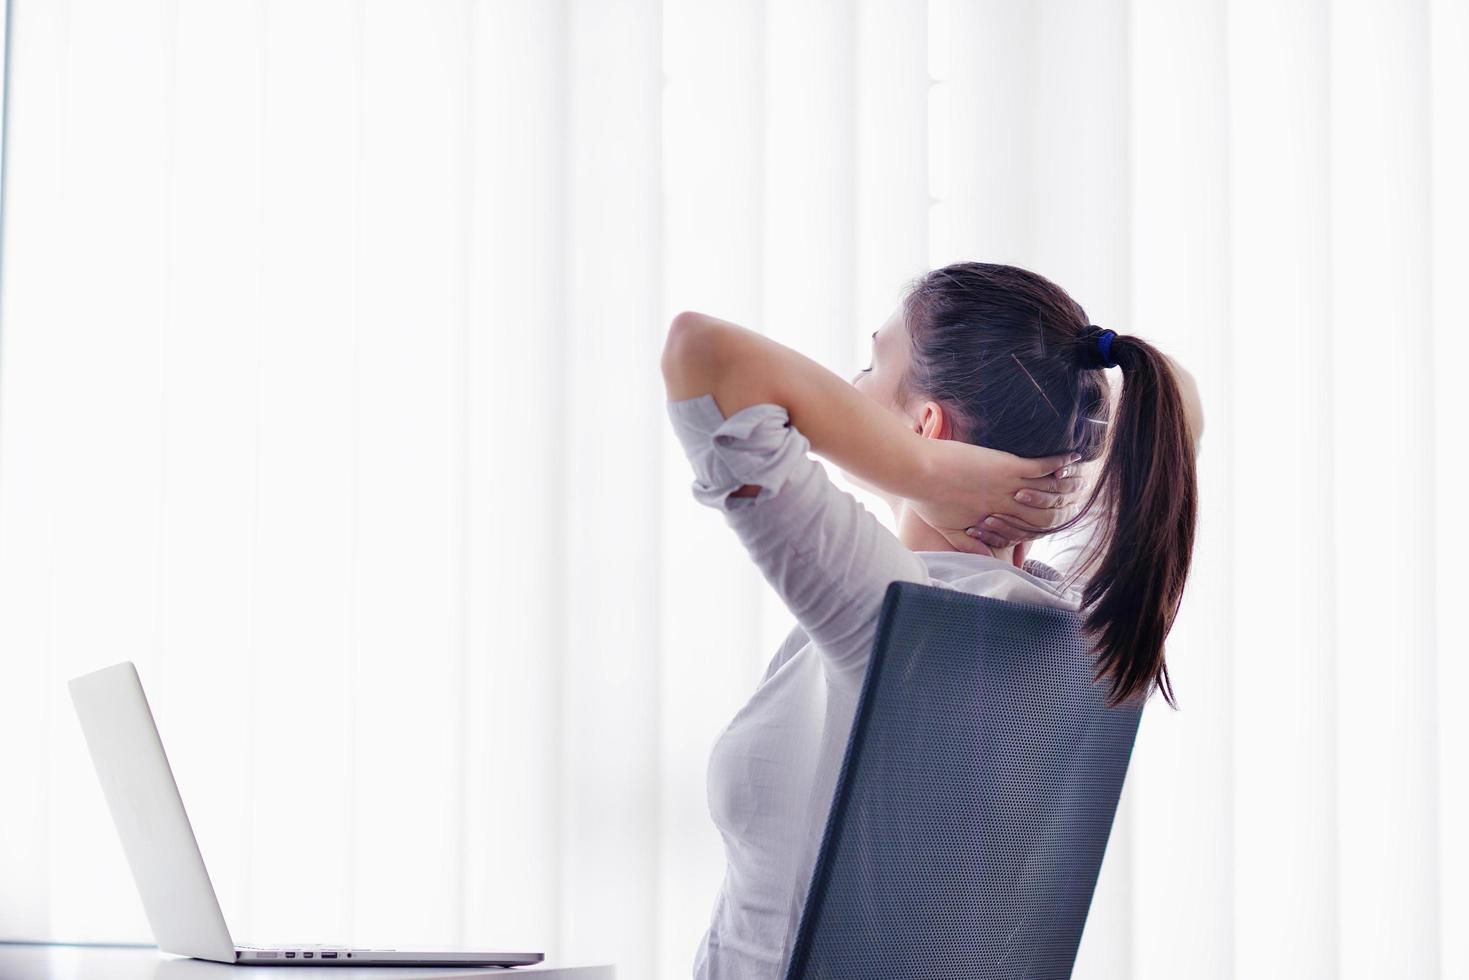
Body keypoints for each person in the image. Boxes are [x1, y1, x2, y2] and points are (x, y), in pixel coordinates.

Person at [661, 261, 1203, 980]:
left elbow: (702, 356)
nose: (845, 390)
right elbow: (1177, 405)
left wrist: (921, 467)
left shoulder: (896, 612)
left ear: (927, 424)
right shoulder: (1084, 628)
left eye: (869, 364)